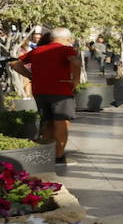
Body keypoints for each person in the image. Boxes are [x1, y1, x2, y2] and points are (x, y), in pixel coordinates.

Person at [14, 26, 81, 165]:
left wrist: (32, 77)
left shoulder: (37, 50)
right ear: (66, 38)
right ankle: (59, 156)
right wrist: (76, 80)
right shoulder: (65, 49)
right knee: (61, 122)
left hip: (40, 91)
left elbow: (15, 65)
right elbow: (75, 61)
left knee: (47, 123)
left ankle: (47, 155)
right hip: (60, 90)